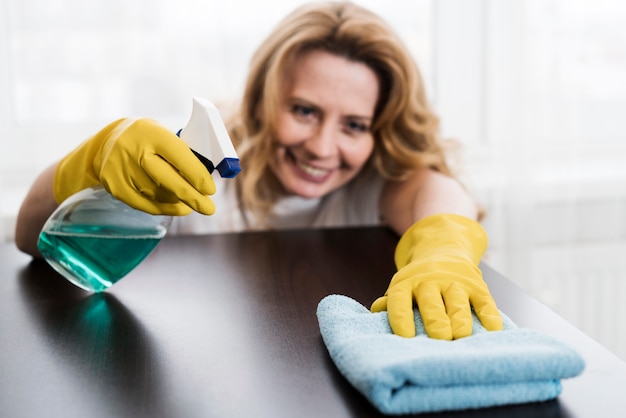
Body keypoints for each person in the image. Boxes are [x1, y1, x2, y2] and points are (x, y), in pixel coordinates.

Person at [14, 1, 502, 340]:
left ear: (380, 130)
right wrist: (89, 162)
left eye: (354, 125)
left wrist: (445, 247)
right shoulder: (195, 166)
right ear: (264, 98)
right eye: (304, 111)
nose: (322, 147)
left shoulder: (373, 183)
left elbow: (436, 192)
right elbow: (27, 234)